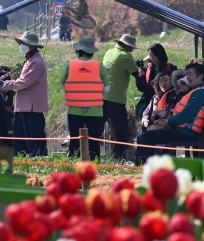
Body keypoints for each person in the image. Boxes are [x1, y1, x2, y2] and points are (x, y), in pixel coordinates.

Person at [135, 62, 204, 164]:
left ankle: (143, 167)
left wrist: (168, 122)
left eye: (190, 74)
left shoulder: (199, 93)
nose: (188, 77)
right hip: (180, 130)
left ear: (200, 76)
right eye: (187, 74)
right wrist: (166, 121)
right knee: (143, 136)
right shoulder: (195, 91)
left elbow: (186, 115)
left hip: (185, 132)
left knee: (146, 137)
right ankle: (139, 165)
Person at [0, 31, 49, 157]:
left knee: (34, 141)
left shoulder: (36, 62)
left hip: (32, 108)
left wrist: (3, 84)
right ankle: (21, 163)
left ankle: (39, 163)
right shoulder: (29, 61)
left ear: (32, 45)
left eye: (24, 43)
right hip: (22, 107)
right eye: (22, 43)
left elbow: (22, 83)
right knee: (19, 140)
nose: (22, 45)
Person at [59, 35, 111, 161]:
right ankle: (94, 167)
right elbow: (107, 89)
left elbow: (62, 85)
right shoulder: (99, 66)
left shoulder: (69, 65)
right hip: (95, 111)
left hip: (74, 110)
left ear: (78, 51)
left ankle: (72, 166)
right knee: (94, 141)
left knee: (75, 140)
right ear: (92, 52)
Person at [102, 33, 139, 161]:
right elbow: (137, 74)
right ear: (127, 46)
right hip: (115, 98)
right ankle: (118, 158)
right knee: (121, 131)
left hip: (102, 95)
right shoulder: (125, 56)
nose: (133, 49)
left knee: (97, 128)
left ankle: (90, 155)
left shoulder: (109, 52)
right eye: (132, 47)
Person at [134, 42, 177, 118]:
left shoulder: (170, 68)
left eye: (154, 55)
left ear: (160, 55)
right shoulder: (147, 69)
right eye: (150, 55)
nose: (152, 58)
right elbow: (142, 88)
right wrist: (140, 77)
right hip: (150, 98)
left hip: (168, 98)